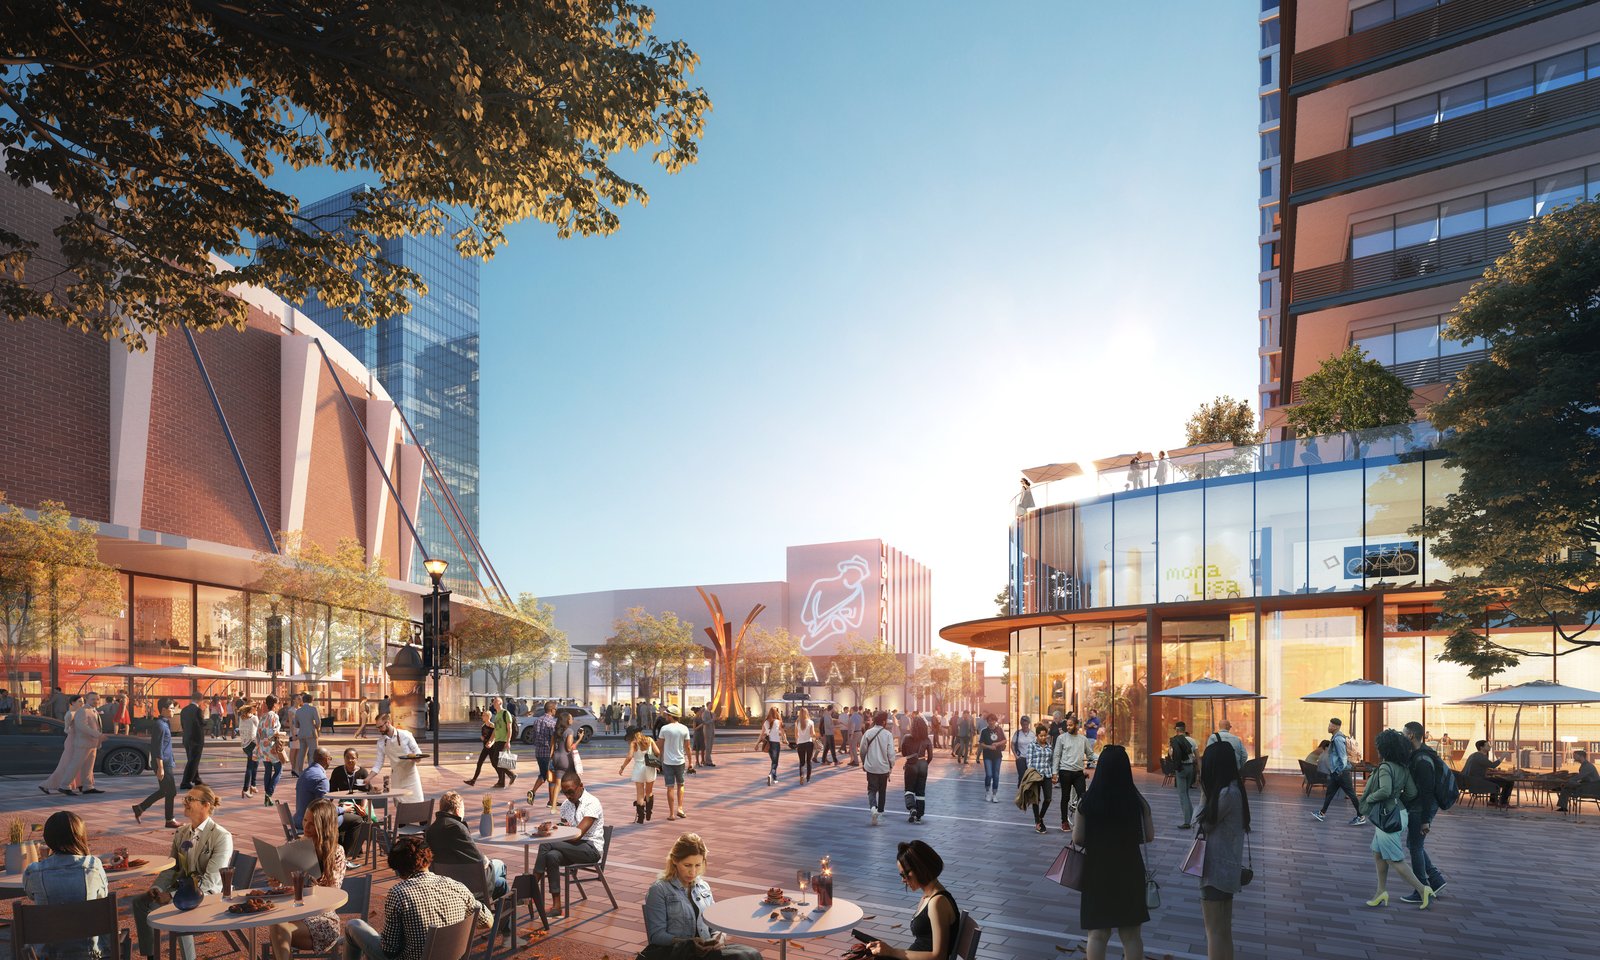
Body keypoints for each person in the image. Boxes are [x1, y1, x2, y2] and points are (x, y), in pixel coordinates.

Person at [343, 835, 491, 960]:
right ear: (428, 859)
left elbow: (390, 950)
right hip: (453, 955)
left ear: (398, 870)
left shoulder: (399, 894)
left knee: (354, 925)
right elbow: (487, 922)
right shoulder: (457, 886)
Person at [133, 785, 233, 960]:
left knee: (181, 909)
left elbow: (210, 882)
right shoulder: (181, 832)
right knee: (140, 902)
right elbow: (172, 868)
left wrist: (171, 896)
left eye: (190, 799)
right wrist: (157, 887)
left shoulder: (221, 836)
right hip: (181, 889)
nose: (185, 802)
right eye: (185, 799)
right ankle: (151, 956)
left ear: (206, 805)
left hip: (209, 894)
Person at [1071, 745, 1152, 960]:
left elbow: (1078, 839)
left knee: (1097, 934)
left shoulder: (1088, 801)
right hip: (1130, 870)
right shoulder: (1137, 802)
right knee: (1131, 935)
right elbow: (1149, 836)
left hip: (1097, 871)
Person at [640, 833, 762, 960]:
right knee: (740, 957)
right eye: (687, 865)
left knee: (752, 954)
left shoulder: (704, 887)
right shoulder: (659, 890)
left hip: (706, 952)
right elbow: (656, 936)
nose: (693, 872)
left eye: (697, 865)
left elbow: (716, 924)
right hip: (678, 953)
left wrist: (718, 939)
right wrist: (689, 942)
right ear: (675, 860)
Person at [1358, 729, 1432, 909]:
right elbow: (1412, 792)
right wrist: (1396, 799)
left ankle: (1423, 890)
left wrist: (1369, 798)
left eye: (1378, 746)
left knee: (1394, 859)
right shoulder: (1403, 768)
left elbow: (1384, 790)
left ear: (1385, 748)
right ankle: (1381, 891)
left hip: (1387, 817)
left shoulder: (1385, 767)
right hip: (1399, 814)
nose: (1377, 749)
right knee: (1378, 853)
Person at [23, 810, 109, 960]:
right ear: (81, 836)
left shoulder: (34, 872)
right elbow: (102, 897)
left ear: (48, 838)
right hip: (89, 954)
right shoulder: (93, 866)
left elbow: (30, 894)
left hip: (48, 955)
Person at [270, 798, 346, 960]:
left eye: (312, 823)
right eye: (305, 820)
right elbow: (288, 888)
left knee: (278, 929)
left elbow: (332, 893)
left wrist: (308, 880)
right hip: (295, 913)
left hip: (322, 918)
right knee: (277, 925)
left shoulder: (336, 852)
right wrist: (279, 882)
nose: (306, 826)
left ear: (324, 825)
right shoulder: (295, 845)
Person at [1195, 741, 1248, 960]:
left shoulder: (1225, 794)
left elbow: (1200, 824)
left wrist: (1204, 794)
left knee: (1214, 932)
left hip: (1215, 871)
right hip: (1229, 868)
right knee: (1224, 932)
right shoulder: (1235, 790)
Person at [865, 840, 959, 960]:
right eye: (901, 875)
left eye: (905, 874)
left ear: (920, 868)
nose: (903, 880)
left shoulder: (938, 902)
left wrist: (892, 952)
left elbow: (939, 956)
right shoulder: (928, 897)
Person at [530, 773, 605, 919]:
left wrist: (552, 836)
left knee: (547, 843)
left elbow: (577, 835)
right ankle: (557, 905)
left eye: (571, 791)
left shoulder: (592, 803)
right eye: (565, 792)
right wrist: (552, 829)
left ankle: (531, 887)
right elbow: (566, 828)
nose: (568, 796)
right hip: (572, 847)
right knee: (551, 856)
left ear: (581, 786)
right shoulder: (565, 805)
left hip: (591, 848)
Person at [425, 791, 508, 897]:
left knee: (501, 882)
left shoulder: (431, 830)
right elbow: (479, 859)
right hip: (468, 883)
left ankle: (488, 903)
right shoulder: (458, 828)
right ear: (458, 811)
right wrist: (485, 860)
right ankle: (489, 904)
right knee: (500, 865)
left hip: (444, 883)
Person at [1400, 721, 1448, 901]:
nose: (1402, 735)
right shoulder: (1421, 754)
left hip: (1422, 807)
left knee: (1415, 846)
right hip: (1420, 806)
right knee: (1414, 845)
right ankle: (1435, 879)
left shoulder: (1422, 760)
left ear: (1411, 735)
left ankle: (1421, 889)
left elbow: (1427, 791)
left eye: (1403, 733)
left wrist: (1425, 819)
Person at [132, 698, 181, 827]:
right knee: (170, 792)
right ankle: (169, 820)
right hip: (163, 763)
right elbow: (156, 747)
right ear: (163, 710)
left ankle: (140, 808)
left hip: (167, 761)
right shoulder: (160, 725)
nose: (173, 711)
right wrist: (160, 767)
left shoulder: (165, 723)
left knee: (166, 791)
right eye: (171, 709)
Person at [1313, 717, 1364, 825]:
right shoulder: (1335, 737)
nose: (1328, 727)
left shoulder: (1338, 739)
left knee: (1351, 794)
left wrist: (1340, 770)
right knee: (1330, 793)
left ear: (1336, 727)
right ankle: (1322, 813)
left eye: (1330, 725)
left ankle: (1361, 816)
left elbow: (1343, 756)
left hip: (1341, 772)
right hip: (1336, 772)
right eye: (1329, 725)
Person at [1051, 714, 1095, 828]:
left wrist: (1103, 757)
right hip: (1065, 772)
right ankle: (1064, 822)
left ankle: (1083, 822)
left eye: (1070, 725)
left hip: (1078, 773)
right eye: (1067, 725)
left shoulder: (1083, 739)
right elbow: (1056, 755)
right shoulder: (1061, 738)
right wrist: (1054, 773)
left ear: (1076, 726)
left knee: (1083, 797)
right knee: (1065, 797)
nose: (1068, 727)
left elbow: (1090, 754)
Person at [371, 713, 424, 803]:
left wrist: (416, 758)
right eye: (377, 727)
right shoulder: (381, 742)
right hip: (396, 779)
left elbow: (418, 753)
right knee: (400, 808)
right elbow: (378, 763)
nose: (379, 730)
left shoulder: (406, 735)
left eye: (380, 727)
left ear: (388, 723)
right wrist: (368, 778)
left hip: (411, 776)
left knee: (417, 804)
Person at [330, 748, 374, 855]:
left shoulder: (363, 772)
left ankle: (352, 849)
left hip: (361, 803)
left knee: (361, 817)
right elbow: (331, 792)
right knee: (339, 818)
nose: (350, 760)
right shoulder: (338, 771)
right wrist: (329, 808)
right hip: (344, 803)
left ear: (357, 759)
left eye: (353, 758)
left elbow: (367, 793)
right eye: (347, 758)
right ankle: (344, 849)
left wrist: (363, 808)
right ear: (344, 758)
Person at [40, 694, 86, 795]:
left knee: (79, 764)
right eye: (80, 701)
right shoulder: (70, 714)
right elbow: (66, 729)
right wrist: (76, 731)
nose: (82, 703)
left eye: (83, 701)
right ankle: (46, 784)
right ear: (73, 702)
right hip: (72, 741)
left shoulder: (80, 713)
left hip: (79, 741)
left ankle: (80, 785)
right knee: (66, 765)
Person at [861, 710, 896, 826]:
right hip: (883, 768)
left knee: (871, 789)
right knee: (882, 790)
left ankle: (873, 809)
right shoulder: (888, 735)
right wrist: (891, 764)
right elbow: (891, 753)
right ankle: (880, 812)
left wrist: (864, 762)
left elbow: (862, 750)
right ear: (884, 722)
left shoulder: (868, 733)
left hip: (870, 766)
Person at [620, 726, 662, 823]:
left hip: (638, 768)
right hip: (650, 767)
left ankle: (640, 818)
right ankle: (648, 814)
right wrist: (653, 759)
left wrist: (622, 767)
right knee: (649, 792)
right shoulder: (650, 740)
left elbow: (629, 757)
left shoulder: (633, 743)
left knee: (640, 793)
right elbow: (658, 752)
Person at [656, 707, 691, 819]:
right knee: (681, 784)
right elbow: (688, 747)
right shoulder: (684, 728)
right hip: (680, 761)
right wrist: (690, 762)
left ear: (671, 716)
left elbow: (659, 747)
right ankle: (680, 808)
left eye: (667, 715)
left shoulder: (664, 729)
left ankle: (671, 814)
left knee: (670, 787)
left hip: (667, 762)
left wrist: (655, 761)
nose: (666, 717)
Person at [1022, 723, 1056, 832]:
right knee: (1035, 799)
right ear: (1037, 736)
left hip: (1047, 775)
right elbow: (1029, 762)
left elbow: (1051, 762)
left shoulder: (1049, 746)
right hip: (1036, 776)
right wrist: (1032, 774)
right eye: (1041, 736)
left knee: (1048, 798)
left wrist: (1054, 774)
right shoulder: (1032, 745)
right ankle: (1037, 822)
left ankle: (1040, 817)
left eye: (1045, 735)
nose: (1043, 738)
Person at [900, 716, 934, 823]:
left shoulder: (906, 738)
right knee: (920, 791)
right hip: (923, 765)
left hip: (911, 765)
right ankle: (919, 816)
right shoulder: (927, 739)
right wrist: (925, 763)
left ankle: (912, 808)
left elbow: (904, 753)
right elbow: (931, 756)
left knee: (909, 790)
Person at [1462, 740, 1512, 806]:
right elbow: (1493, 765)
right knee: (1509, 782)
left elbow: (1479, 766)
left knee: (1495, 780)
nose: (1490, 746)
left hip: (1473, 780)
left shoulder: (1473, 755)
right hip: (1478, 781)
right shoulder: (1480, 756)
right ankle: (1503, 802)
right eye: (1487, 745)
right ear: (1481, 747)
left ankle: (1493, 801)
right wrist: (1502, 757)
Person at [1169, 721, 1200, 829]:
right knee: (1186, 793)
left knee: (1183, 795)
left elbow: (1172, 754)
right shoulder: (1192, 740)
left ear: (1177, 730)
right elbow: (1197, 757)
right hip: (1190, 768)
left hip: (1181, 769)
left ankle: (1187, 821)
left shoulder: (1175, 740)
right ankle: (1192, 818)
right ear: (1184, 729)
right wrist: (1199, 772)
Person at [528, 702, 559, 808]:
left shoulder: (537, 721)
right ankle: (551, 801)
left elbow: (534, 737)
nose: (555, 711)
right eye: (555, 709)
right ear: (551, 710)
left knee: (543, 774)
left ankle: (532, 792)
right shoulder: (552, 722)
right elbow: (553, 740)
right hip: (548, 753)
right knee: (551, 777)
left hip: (538, 752)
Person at [296, 746, 332, 832]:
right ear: (326, 759)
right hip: (311, 822)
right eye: (330, 758)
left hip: (298, 819)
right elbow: (324, 809)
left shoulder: (305, 772)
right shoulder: (321, 778)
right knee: (353, 820)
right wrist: (343, 809)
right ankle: (331, 844)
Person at [257, 695, 285, 806]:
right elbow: (273, 733)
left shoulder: (263, 716)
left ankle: (267, 797)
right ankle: (269, 793)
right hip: (271, 747)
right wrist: (281, 733)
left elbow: (258, 733)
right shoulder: (274, 716)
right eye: (278, 703)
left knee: (267, 770)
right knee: (279, 769)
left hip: (263, 747)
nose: (279, 705)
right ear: (274, 704)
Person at [977, 712, 1005, 803]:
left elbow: (1005, 740)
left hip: (997, 756)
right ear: (987, 721)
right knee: (989, 774)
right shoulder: (984, 731)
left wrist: (997, 744)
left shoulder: (999, 730)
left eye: (992, 720)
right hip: (987, 756)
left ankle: (995, 794)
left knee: (996, 775)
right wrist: (989, 747)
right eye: (989, 720)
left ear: (995, 721)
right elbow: (981, 743)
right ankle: (987, 791)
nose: (991, 722)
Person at [293, 692, 321, 776]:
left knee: (302, 752)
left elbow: (296, 724)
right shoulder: (313, 709)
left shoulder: (298, 710)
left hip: (302, 733)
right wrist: (315, 727)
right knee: (313, 752)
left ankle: (299, 770)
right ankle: (312, 770)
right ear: (311, 700)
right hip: (311, 733)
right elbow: (318, 722)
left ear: (303, 700)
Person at [238, 703, 260, 799]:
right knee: (250, 767)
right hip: (253, 744)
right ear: (252, 709)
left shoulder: (242, 718)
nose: (257, 710)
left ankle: (253, 785)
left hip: (244, 745)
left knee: (255, 764)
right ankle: (245, 789)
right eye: (256, 708)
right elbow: (259, 731)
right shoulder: (254, 718)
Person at [794, 706, 817, 784]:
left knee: (802, 762)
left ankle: (801, 775)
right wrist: (814, 735)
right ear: (807, 713)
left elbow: (796, 735)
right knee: (808, 762)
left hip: (800, 743)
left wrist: (797, 742)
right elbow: (812, 734)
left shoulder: (797, 722)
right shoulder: (811, 722)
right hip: (809, 743)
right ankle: (808, 779)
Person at [1010, 715, 1032, 785]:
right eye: (1023, 724)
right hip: (1020, 758)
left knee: (1029, 776)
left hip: (1030, 758)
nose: (1025, 726)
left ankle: (1027, 792)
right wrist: (1016, 756)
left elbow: (1035, 746)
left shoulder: (1032, 734)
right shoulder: (1018, 733)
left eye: (1026, 724)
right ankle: (1020, 792)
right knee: (1022, 776)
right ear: (1021, 724)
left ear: (1029, 724)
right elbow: (1012, 744)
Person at [699, 702, 718, 768]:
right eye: (710, 705)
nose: (712, 706)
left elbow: (713, 722)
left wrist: (716, 719)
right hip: (707, 732)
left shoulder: (712, 713)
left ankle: (707, 760)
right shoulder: (705, 713)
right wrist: (712, 719)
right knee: (707, 747)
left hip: (712, 731)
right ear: (707, 706)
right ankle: (708, 761)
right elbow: (704, 722)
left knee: (710, 747)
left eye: (712, 705)